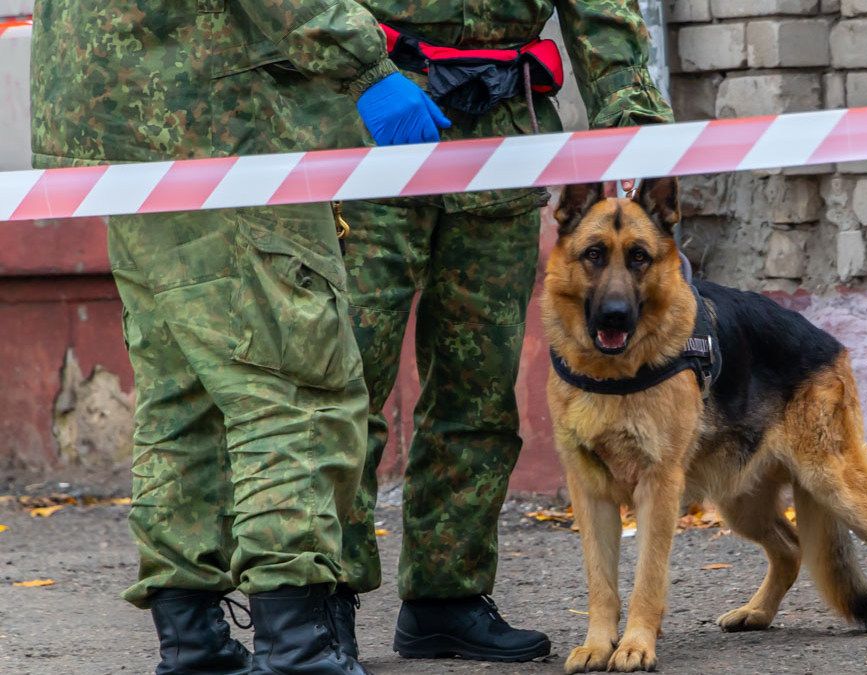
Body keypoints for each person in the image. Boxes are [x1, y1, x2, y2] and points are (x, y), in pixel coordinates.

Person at [30, 1, 447, 672]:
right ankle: (298, 645)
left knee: (181, 394)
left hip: (120, 126)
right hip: (223, 125)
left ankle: (192, 640)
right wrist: (369, 63)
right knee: (290, 387)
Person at [323, 0, 674, 662]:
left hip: (501, 140)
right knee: (347, 383)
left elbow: (602, 14)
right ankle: (322, 600)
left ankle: (445, 597)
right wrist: (366, 69)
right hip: (376, 122)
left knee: (479, 389)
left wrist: (635, 126)